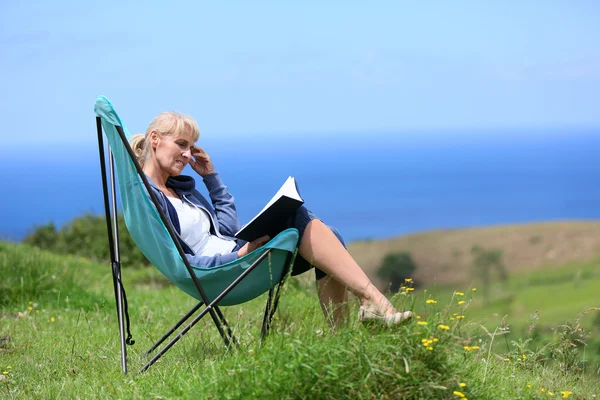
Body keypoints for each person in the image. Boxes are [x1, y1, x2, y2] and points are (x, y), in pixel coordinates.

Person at [130, 111, 412, 328]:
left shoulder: (179, 190)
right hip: (221, 274)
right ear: (155, 139)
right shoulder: (150, 200)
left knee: (330, 234)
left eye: (191, 147)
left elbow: (226, 231)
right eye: (181, 144)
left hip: (235, 255)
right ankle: (374, 302)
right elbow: (184, 263)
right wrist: (239, 254)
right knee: (298, 214)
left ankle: (345, 335)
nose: (188, 154)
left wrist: (211, 178)